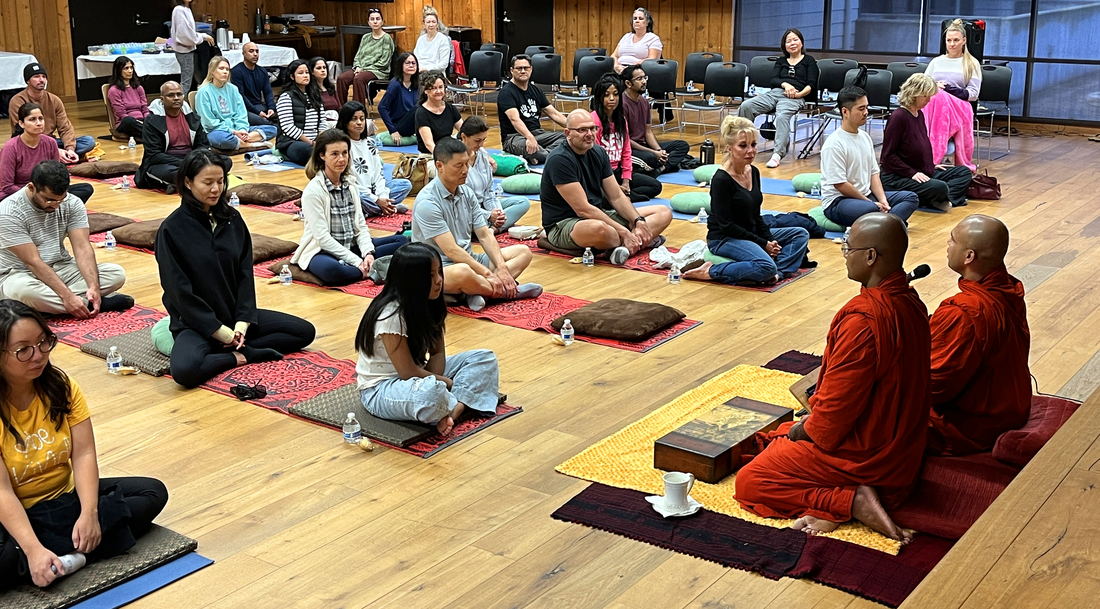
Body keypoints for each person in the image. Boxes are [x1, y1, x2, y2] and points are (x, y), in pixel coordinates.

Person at [735, 213, 931, 544]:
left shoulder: (862, 320)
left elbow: (833, 417)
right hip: (903, 448)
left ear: (870, 257)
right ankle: (846, 492)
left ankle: (849, 500)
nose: (843, 252)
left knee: (752, 480)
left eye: (847, 247)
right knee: (776, 436)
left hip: (868, 457)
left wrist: (806, 428)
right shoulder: (913, 302)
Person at [0, 300, 168, 591]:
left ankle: (59, 558)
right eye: (23, 349)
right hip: (17, 513)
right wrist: (31, 547)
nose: (38, 355)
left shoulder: (60, 385)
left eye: (43, 342)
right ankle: (58, 552)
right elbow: (1, 490)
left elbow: (84, 453)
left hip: (66, 497)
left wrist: (89, 513)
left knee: (152, 492)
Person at [155, 149, 315, 389]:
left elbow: (244, 276)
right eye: (207, 183)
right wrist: (219, 332)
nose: (216, 189)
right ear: (188, 183)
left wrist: (242, 323)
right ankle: (239, 355)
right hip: (196, 325)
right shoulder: (171, 230)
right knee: (185, 371)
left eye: (220, 182)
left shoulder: (233, 220)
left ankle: (238, 347)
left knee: (303, 332)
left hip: (234, 319)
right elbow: (179, 293)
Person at [355, 242, 500, 436]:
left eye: (440, 272)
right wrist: (447, 383)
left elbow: (437, 352)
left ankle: (453, 411)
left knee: (484, 359)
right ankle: (458, 402)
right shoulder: (390, 315)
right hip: (382, 389)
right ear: (412, 280)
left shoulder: (431, 302)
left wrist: (439, 382)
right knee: (430, 393)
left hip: (420, 373)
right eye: (431, 276)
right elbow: (407, 372)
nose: (439, 280)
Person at [928, 215, 1030, 456]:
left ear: (969, 256)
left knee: (868, 409)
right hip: (1013, 408)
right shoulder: (1007, 288)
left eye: (952, 240)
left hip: (971, 425)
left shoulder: (963, 311)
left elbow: (933, 388)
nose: (947, 244)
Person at [412, 137, 541, 312]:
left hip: (470, 260)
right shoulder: (427, 202)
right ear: (439, 166)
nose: (465, 170)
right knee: (462, 272)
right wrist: (488, 274)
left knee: (523, 252)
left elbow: (484, 234)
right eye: (459, 166)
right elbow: (451, 250)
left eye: (467, 164)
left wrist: (502, 268)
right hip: (437, 268)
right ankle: (506, 292)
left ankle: (475, 291)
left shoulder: (466, 192)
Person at [683, 117, 809, 285]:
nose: (750, 150)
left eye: (753, 145)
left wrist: (770, 240)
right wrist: (763, 243)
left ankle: (777, 273)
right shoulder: (721, 180)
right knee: (766, 267)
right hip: (725, 238)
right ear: (729, 148)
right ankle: (711, 271)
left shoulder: (753, 171)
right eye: (743, 146)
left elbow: (756, 215)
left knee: (800, 234)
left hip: (751, 231)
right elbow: (726, 225)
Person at [540, 110, 672, 265]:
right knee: (600, 229)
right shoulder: (560, 159)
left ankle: (621, 247)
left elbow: (616, 196)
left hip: (599, 214)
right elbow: (583, 210)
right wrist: (623, 231)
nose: (589, 134)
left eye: (592, 128)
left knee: (663, 212)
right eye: (582, 130)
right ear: (568, 133)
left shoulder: (598, 151)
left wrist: (638, 221)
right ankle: (635, 242)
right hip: (565, 224)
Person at [0, 161, 131, 317]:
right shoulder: (8, 212)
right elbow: (33, 262)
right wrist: (67, 296)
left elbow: (82, 248)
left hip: (61, 267)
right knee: (21, 291)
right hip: (18, 274)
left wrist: (93, 286)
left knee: (116, 274)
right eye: (49, 200)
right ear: (31, 188)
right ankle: (85, 304)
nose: (55, 205)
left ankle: (48, 308)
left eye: (59, 200)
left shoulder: (72, 203)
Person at [290, 129, 408, 287]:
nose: (341, 159)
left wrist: (368, 253)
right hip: (323, 251)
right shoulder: (313, 191)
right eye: (335, 154)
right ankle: (373, 270)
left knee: (402, 242)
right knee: (332, 271)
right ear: (322, 155)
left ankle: (368, 267)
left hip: (352, 246)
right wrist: (357, 261)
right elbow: (322, 238)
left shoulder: (350, 185)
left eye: (345, 153)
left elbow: (360, 226)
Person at [820, 86, 919, 228]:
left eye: (866, 107)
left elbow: (874, 173)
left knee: (911, 197)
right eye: (861, 109)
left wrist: (883, 200)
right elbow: (840, 184)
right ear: (845, 112)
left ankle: (885, 224)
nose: (866, 112)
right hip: (839, 202)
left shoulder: (865, 137)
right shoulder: (834, 144)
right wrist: (870, 203)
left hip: (866, 196)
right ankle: (892, 223)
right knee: (871, 209)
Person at [880, 74, 973, 211]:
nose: (929, 100)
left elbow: (919, 148)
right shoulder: (898, 117)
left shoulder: (919, 114)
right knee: (939, 187)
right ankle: (938, 198)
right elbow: (888, 156)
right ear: (914, 94)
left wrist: (931, 165)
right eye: (926, 96)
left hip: (922, 170)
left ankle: (944, 200)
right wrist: (912, 173)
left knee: (964, 172)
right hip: (898, 176)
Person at [737, 29, 819, 169]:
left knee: (781, 116)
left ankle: (777, 154)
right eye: (788, 41)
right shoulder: (781, 61)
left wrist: (799, 94)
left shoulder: (809, 60)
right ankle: (744, 144)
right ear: (784, 45)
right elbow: (774, 80)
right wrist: (786, 84)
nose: (792, 43)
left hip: (796, 97)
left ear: (801, 42)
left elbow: (811, 83)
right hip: (775, 93)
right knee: (746, 106)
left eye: (795, 39)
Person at [589, 74, 662, 203]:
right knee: (598, 198)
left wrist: (626, 181)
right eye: (606, 95)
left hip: (618, 171)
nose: (612, 98)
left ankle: (622, 197)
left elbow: (626, 151)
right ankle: (621, 198)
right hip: (601, 176)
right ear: (599, 97)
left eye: (616, 94)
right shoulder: (594, 120)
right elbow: (594, 160)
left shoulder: (621, 119)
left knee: (655, 186)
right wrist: (614, 187)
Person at [2, 104, 94, 203]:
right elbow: (7, 186)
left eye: (41, 119)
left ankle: (50, 206)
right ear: (21, 123)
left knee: (85, 189)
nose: (38, 123)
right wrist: (36, 195)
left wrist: (52, 193)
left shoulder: (50, 142)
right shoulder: (11, 147)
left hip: (46, 192)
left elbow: (56, 175)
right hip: (20, 194)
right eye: (32, 119)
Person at [922, 19, 981, 170]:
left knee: (939, 96)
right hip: (934, 104)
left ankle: (934, 154)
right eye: (949, 40)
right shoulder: (936, 62)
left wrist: (948, 89)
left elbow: (973, 94)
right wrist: (934, 86)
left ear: (964, 41)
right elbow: (922, 85)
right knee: (935, 97)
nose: (952, 44)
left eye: (956, 40)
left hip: (960, 106)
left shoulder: (971, 63)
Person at [335, 102, 412, 217]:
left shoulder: (370, 143)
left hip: (374, 191)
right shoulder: (342, 146)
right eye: (354, 119)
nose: (359, 123)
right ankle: (390, 208)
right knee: (354, 195)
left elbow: (378, 174)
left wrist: (383, 197)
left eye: (362, 118)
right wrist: (376, 200)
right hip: (358, 192)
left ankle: (376, 209)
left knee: (405, 184)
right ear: (345, 122)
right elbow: (347, 180)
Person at [135, 81, 212, 192]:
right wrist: (185, 163)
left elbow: (203, 145)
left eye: (179, 95)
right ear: (162, 99)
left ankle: (183, 182)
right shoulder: (153, 121)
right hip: (166, 164)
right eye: (171, 95)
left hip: (191, 160)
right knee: (169, 172)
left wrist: (193, 159)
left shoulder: (192, 117)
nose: (176, 98)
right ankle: (203, 180)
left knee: (224, 161)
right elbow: (154, 155)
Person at [459, 117, 531, 234]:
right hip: (467, 211)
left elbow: (488, 191)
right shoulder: (455, 161)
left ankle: (492, 229)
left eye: (484, 140)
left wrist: (498, 213)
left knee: (523, 202)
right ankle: (488, 229)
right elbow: (461, 204)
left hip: (484, 206)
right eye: (477, 140)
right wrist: (488, 215)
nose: (481, 144)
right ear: (463, 137)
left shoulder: (482, 154)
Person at [8, 64, 94, 161]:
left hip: (51, 141)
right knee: (17, 150)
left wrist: (70, 149)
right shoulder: (17, 101)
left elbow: (65, 127)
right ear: (27, 81)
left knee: (88, 141)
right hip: (28, 142)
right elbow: (20, 131)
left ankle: (57, 156)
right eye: (36, 77)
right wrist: (55, 150)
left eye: (44, 77)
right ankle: (53, 156)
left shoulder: (54, 99)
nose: (41, 80)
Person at [496, 54, 568, 165]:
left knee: (569, 137)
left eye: (526, 68)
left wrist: (574, 128)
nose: (523, 71)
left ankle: (540, 155)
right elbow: (515, 119)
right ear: (512, 70)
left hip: (538, 134)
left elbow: (553, 113)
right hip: (514, 138)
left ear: (531, 69)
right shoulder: (506, 93)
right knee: (531, 147)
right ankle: (545, 155)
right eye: (519, 68)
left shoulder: (536, 91)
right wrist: (529, 137)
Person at [194, 57, 277, 153]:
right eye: (221, 68)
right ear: (212, 71)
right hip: (217, 131)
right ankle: (253, 145)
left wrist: (242, 129)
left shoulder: (233, 89)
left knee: (272, 129)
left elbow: (241, 113)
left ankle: (242, 143)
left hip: (237, 129)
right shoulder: (203, 92)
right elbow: (209, 122)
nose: (225, 72)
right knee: (223, 139)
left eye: (227, 69)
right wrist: (233, 132)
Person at [620, 65, 690, 175]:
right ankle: (664, 165)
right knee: (650, 158)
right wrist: (653, 152)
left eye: (644, 78)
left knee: (682, 145)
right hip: (630, 148)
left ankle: (660, 169)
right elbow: (625, 140)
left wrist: (658, 151)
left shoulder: (644, 102)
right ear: (628, 83)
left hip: (645, 146)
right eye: (639, 79)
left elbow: (648, 132)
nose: (644, 82)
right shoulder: (622, 105)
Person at [336, 8, 395, 106]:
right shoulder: (365, 37)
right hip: (361, 69)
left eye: (377, 19)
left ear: (382, 22)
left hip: (378, 70)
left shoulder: (386, 38)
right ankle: (340, 109)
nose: (375, 21)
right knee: (342, 78)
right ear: (368, 22)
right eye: (372, 19)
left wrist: (362, 69)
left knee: (359, 79)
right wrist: (357, 67)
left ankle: (358, 110)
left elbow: (384, 62)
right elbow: (358, 56)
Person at [276, 59, 327, 167]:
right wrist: (312, 143)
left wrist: (320, 140)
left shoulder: (315, 95)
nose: (305, 76)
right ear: (292, 76)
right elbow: (288, 127)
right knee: (307, 151)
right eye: (300, 73)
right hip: (292, 141)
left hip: (316, 140)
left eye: (307, 72)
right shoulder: (286, 97)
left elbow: (323, 121)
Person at [169, 0, 214, 96]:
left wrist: (201, 36)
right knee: (186, 82)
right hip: (184, 51)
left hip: (190, 49)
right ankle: (177, 105)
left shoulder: (187, 9)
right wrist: (203, 36)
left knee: (197, 79)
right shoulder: (179, 10)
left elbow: (189, 32)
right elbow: (184, 34)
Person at [230, 42, 278, 127]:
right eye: (251, 51)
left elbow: (268, 92)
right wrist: (257, 112)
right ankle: (275, 129)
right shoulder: (236, 72)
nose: (255, 54)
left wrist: (271, 108)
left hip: (260, 106)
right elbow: (240, 96)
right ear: (243, 54)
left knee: (283, 115)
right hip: (244, 109)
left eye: (257, 51)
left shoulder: (262, 71)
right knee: (265, 122)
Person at [414, 70, 463, 154]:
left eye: (440, 87)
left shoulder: (451, 108)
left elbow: (465, 132)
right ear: (425, 91)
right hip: (430, 155)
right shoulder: (421, 113)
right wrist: (444, 160)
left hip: (448, 151)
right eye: (434, 88)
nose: (438, 91)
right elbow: (429, 144)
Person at [378, 53, 420, 143]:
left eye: (413, 63)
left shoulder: (416, 84)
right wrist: (393, 130)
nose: (411, 65)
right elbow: (382, 107)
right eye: (407, 63)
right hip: (399, 125)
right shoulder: (395, 85)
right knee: (421, 106)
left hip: (412, 123)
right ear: (401, 65)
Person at [106, 57, 149, 140]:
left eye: (131, 67)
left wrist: (147, 119)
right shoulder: (114, 90)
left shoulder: (139, 88)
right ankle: (154, 135)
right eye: (126, 68)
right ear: (119, 71)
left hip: (142, 121)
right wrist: (138, 122)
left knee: (156, 115)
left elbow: (145, 109)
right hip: (126, 122)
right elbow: (121, 114)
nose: (130, 71)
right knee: (128, 120)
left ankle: (149, 134)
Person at [610, 8, 663, 73]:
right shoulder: (626, 36)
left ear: (647, 22)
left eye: (640, 19)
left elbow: (652, 60)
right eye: (635, 19)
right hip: (619, 69)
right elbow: (614, 56)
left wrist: (631, 67)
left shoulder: (653, 38)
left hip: (638, 70)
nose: (637, 21)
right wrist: (616, 65)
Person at [413, 8, 451, 73]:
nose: (431, 25)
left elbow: (443, 64)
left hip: (435, 73)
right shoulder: (420, 39)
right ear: (424, 25)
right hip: (419, 72)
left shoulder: (443, 39)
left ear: (437, 25)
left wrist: (426, 69)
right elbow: (415, 59)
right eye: (428, 22)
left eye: (433, 22)